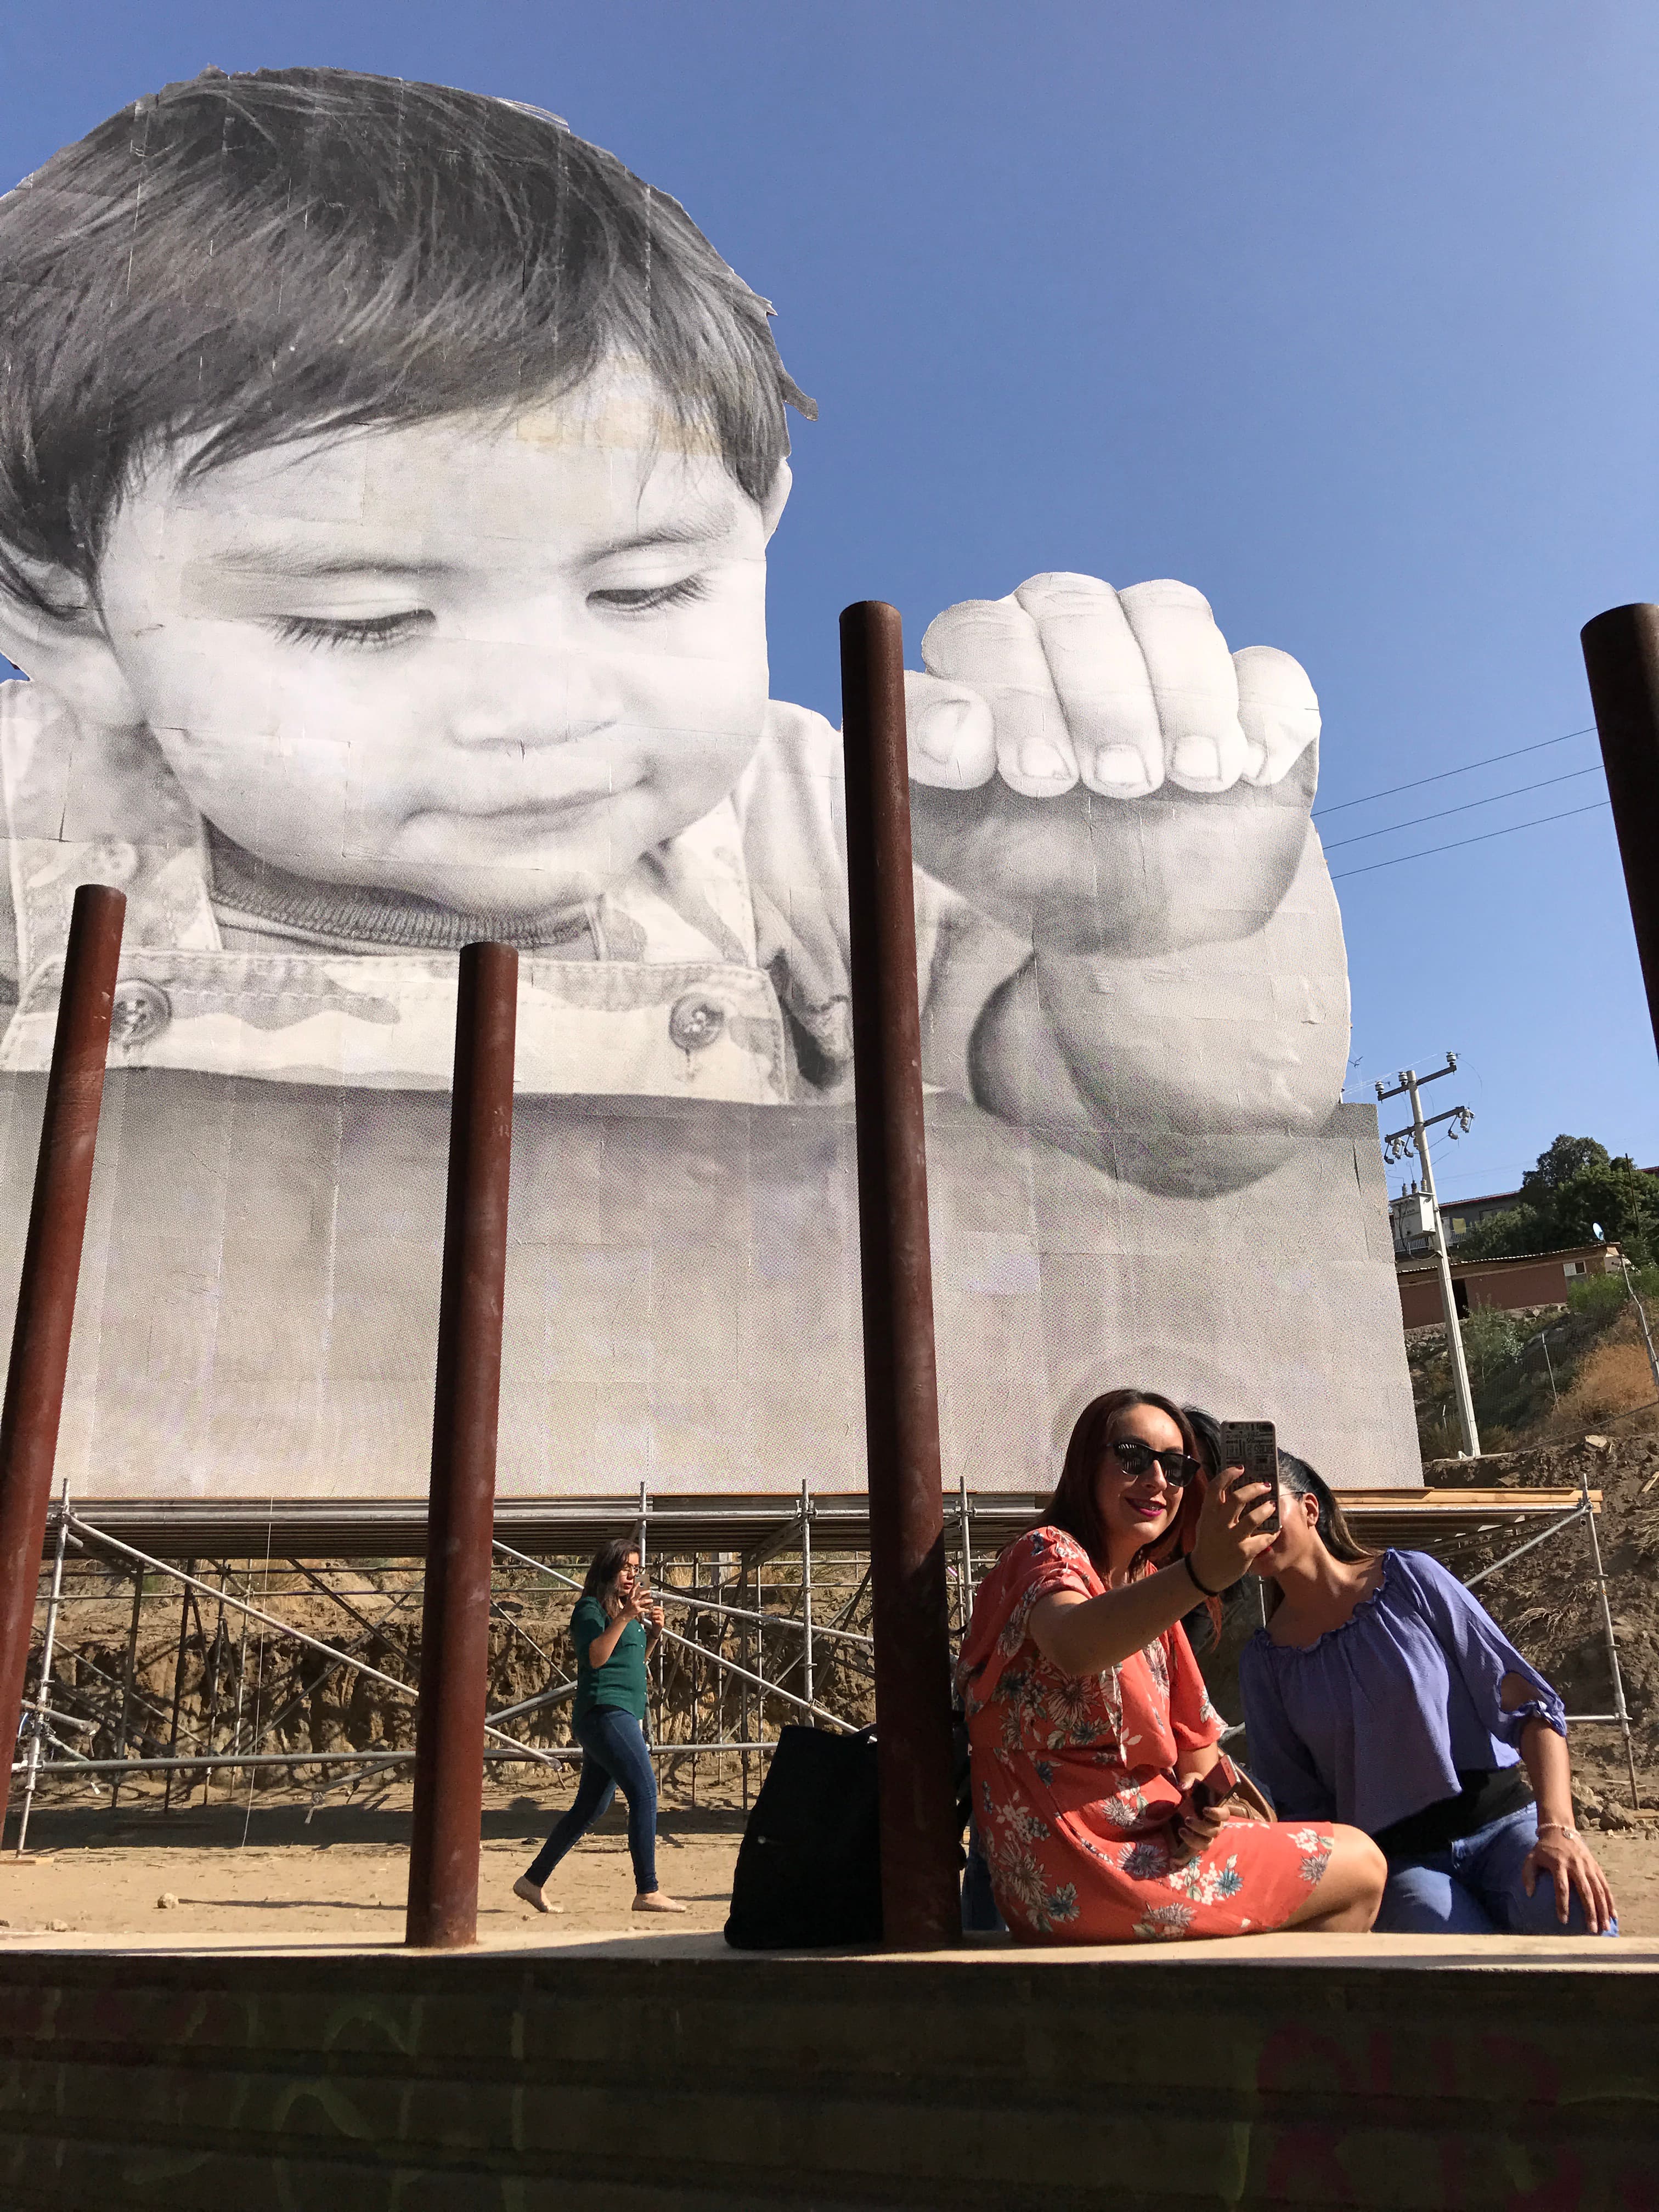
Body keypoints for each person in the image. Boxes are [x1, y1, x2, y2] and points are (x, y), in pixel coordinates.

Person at [956, 1389, 1386, 1943]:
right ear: (1088, 1462)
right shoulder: (1045, 1553)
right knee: (1360, 1865)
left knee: (1335, 1875)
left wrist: (1202, 1811)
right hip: (1082, 1867)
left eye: (1177, 1467)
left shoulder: (1150, 1595)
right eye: (1134, 1458)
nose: (1158, 1480)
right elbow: (1073, 1643)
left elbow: (1200, 1762)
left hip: (1131, 1853)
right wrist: (1202, 1573)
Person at [1235, 1451, 1617, 1938]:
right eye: (1239, 1520)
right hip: (1401, 1864)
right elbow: (1297, 1805)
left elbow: (1530, 1707)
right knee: (1452, 1982)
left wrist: (1558, 1829)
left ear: (1310, 1509)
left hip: (1503, 1825)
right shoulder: (1265, 1664)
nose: (1255, 1527)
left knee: (1580, 1920)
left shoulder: (1411, 1580)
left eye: (1266, 1508)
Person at [514, 1539, 686, 1916]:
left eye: (635, 1569)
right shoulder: (590, 1610)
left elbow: (628, 1662)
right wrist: (625, 1617)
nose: (631, 1575)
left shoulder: (628, 1615)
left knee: (589, 1808)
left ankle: (532, 1881)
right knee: (644, 1792)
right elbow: (596, 1658)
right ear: (608, 1569)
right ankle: (647, 1890)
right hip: (604, 1712)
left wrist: (653, 1635)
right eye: (625, 1567)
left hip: (621, 1712)